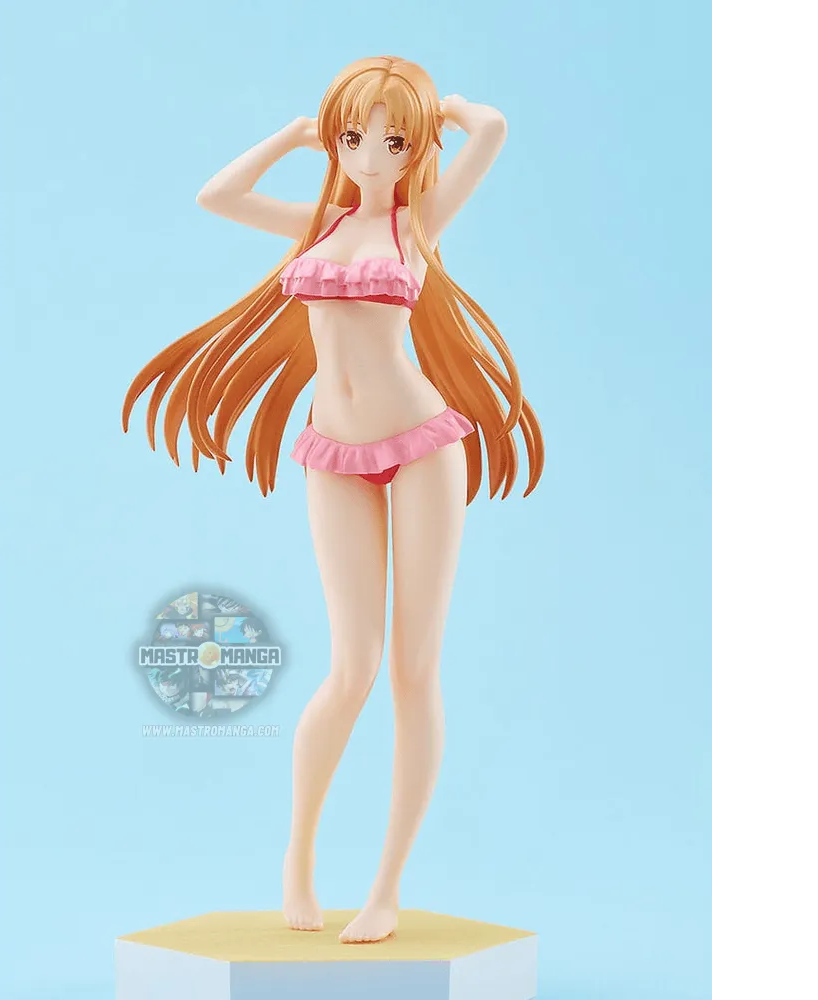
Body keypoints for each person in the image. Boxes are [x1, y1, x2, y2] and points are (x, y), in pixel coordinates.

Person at [123, 56, 544, 943]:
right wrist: (292, 135)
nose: (370, 155)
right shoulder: (322, 222)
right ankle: (300, 857)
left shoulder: (419, 220)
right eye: (354, 137)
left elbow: (496, 129)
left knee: (414, 670)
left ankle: (386, 886)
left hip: (422, 447)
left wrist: (452, 108)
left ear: (416, 148)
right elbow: (217, 195)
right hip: (333, 453)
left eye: (394, 141)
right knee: (351, 669)